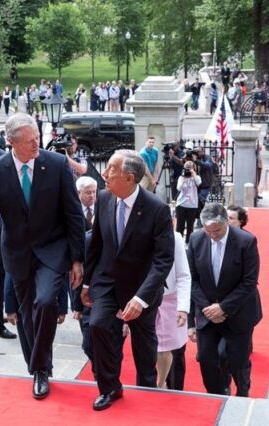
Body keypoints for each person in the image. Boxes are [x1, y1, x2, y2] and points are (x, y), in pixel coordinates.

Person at [0, 112, 85, 400]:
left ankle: (39, 367)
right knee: (25, 316)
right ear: (11, 142)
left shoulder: (57, 164)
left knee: (46, 301)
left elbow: (74, 214)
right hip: (16, 253)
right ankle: (39, 369)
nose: (38, 144)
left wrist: (77, 259)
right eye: (31, 141)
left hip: (52, 249)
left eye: (38, 138)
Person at [81, 149, 174, 411]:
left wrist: (141, 298)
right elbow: (96, 244)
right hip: (108, 283)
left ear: (130, 178)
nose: (104, 173)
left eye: (111, 169)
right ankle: (110, 387)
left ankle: (147, 391)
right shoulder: (104, 198)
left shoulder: (157, 209)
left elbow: (163, 261)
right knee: (98, 326)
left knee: (144, 349)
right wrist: (87, 283)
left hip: (142, 289)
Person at [187, 203, 262, 397]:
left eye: (217, 231)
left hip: (238, 312)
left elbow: (249, 282)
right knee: (206, 359)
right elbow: (192, 280)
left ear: (227, 223)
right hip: (207, 313)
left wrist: (223, 308)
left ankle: (243, 391)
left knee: (237, 360)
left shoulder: (246, 241)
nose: (213, 235)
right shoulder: (196, 239)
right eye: (208, 230)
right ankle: (217, 395)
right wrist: (208, 309)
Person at [156, 230, 190, 389]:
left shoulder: (174, 238)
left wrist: (183, 308)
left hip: (170, 299)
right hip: (144, 299)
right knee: (148, 348)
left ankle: (170, 387)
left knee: (171, 348)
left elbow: (184, 275)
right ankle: (151, 386)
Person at [175, 160, 201, 243]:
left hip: (192, 205)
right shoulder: (181, 177)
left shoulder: (196, 177)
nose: (188, 171)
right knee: (180, 226)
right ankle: (179, 242)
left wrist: (193, 174)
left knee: (190, 226)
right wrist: (184, 179)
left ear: (194, 169)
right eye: (187, 168)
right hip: (181, 204)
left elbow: (199, 183)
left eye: (190, 168)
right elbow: (178, 188)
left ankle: (188, 242)